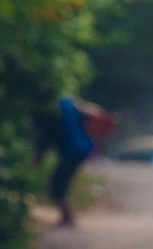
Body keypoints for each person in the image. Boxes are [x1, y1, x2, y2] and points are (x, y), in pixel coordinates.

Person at [46, 95, 116, 227]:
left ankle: (67, 218)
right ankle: (67, 217)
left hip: (72, 150)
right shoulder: (73, 104)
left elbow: (50, 133)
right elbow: (96, 111)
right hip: (84, 148)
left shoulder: (58, 107)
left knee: (58, 182)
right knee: (62, 180)